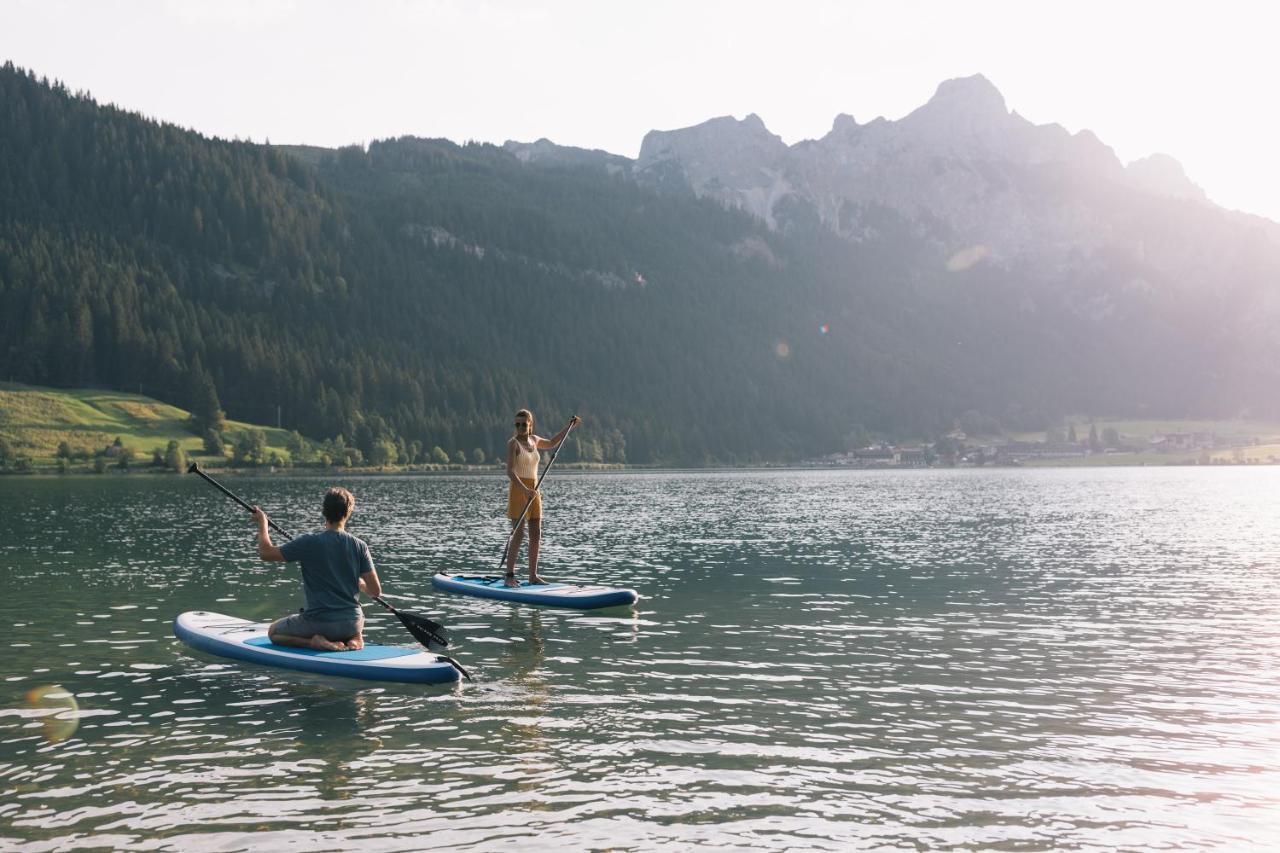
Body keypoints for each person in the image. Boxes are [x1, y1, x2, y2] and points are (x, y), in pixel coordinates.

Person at [252, 486, 382, 651]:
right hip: (353, 623)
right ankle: (355, 639)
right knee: (349, 623)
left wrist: (263, 523)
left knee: (273, 632)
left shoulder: (309, 542)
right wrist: (360, 584)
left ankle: (313, 642)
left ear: (324, 512)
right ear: (348, 513)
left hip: (321, 623)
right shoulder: (360, 546)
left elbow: (266, 553)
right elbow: (375, 592)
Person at [505, 410, 581, 586]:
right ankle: (509, 576)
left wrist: (569, 427)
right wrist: (524, 490)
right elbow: (509, 471)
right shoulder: (513, 443)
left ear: (530, 424)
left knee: (536, 532)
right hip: (519, 489)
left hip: (535, 489)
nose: (521, 427)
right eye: (517, 424)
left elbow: (553, 442)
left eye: (524, 424)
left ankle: (533, 576)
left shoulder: (535, 440)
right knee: (518, 534)